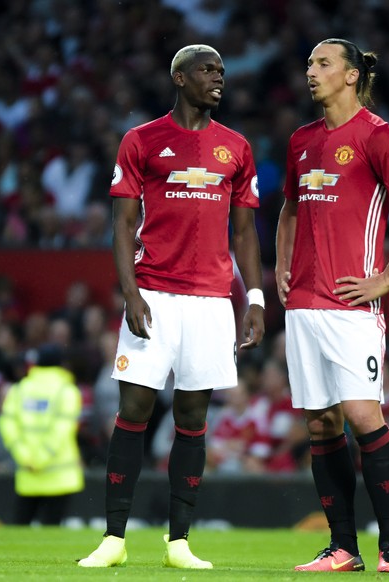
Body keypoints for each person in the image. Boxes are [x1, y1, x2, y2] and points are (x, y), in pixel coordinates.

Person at [78, 44, 265, 570]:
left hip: (209, 302)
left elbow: (247, 232)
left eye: (222, 71)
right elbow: (120, 224)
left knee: (193, 414)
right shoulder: (141, 141)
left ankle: (178, 541)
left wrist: (253, 298)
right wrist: (130, 292)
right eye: (208, 71)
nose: (218, 79)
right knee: (134, 410)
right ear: (179, 79)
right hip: (154, 293)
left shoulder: (236, 147)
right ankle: (114, 539)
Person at [275, 39, 389, 574]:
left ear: (350, 76)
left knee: (364, 415)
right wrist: (281, 267)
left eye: (323, 63)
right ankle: (342, 546)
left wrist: (387, 277)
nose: (311, 72)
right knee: (321, 425)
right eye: (309, 63)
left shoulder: (376, 134)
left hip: (350, 304)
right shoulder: (300, 140)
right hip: (303, 303)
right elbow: (290, 210)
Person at [0, 347, 83, 525]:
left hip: (28, 474)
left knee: (19, 532)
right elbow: (62, 429)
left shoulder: (19, 390)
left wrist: (26, 458)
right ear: (62, 364)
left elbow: (7, 425)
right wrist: (41, 459)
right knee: (51, 535)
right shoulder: (67, 391)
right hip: (60, 477)